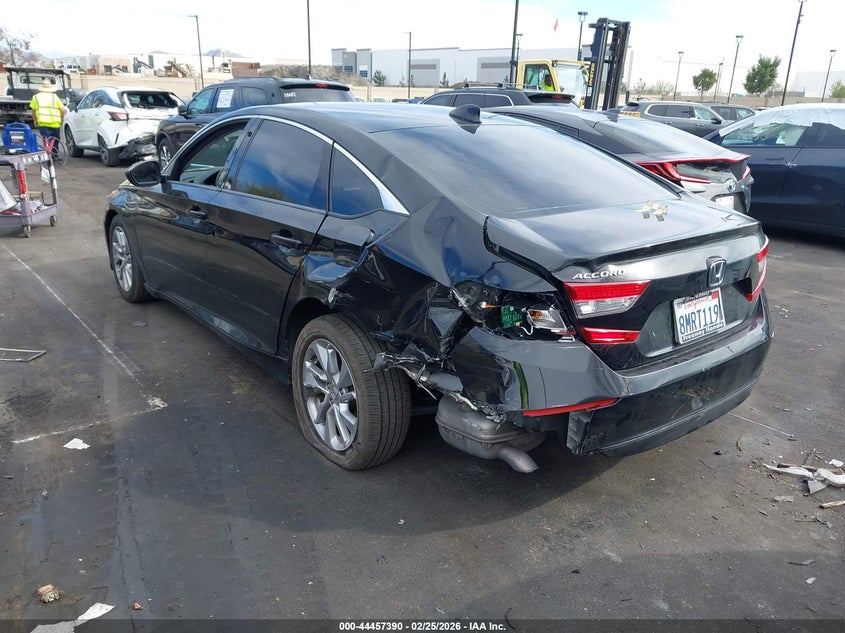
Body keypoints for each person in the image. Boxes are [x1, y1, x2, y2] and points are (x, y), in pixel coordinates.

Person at [29, 79, 66, 157]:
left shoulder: (36, 97)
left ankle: (48, 155)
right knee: (55, 140)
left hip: (43, 122)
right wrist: (62, 118)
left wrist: (35, 120)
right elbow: (62, 109)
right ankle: (54, 155)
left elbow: (33, 110)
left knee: (46, 140)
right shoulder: (54, 97)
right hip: (55, 123)